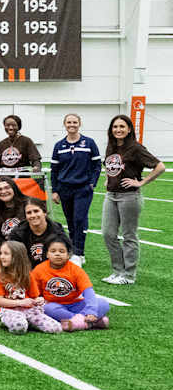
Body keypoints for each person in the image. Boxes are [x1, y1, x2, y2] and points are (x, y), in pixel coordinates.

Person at [100, 114, 165, 285]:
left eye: (122, 126)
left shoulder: (136, 148)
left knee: (129, 235)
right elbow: (110, 166)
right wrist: (109, 178)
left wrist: (141, 182)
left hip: (129, 197)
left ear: (129, 129)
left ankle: (128, 275)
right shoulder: (111, 147)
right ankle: (117, 271)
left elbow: (160, 166)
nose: (118, 130)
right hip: (111, 195)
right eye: (115, 127)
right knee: (108, 234)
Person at [47, 113, 101, 265]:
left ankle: (79, 252)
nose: (72, 125)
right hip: (65, 189)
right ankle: (72, 251)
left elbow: (97, 165)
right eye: (69, 122)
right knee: (70, 221)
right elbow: (54, 169)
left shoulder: (89, 143)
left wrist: (92, 183)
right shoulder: (59, 145)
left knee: (79, 219)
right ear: (64, 124)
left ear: (79, 124)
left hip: (83, 188)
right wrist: (55, 190)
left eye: (75, 122)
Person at [34, 238, 109, 332]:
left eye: (62, 251)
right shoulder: (39, 269)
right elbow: (33, 290)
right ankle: (89, 322)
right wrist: (37, 298)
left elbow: (88, 291)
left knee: (103, 303)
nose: (57, 254)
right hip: (55, 305)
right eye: (53, 251)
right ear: (47, 254)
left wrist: (91, 311)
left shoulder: (76, 270)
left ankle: (76, 322)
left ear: (68, 255)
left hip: (76, 303)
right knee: (47, 309)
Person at [0, 240, 61, 335]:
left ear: (17, 257)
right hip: (10, 310)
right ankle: (9, 320)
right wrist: (20, 302)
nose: (1, 257)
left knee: (55, 328)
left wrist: (39, 300)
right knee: (19, 327)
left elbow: (34, 296)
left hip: (29, 309)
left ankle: (30, 321)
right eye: (1, 253)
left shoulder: (28, 275)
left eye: (6, 254)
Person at [8, 199, 69, 266]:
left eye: (36, 211)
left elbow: (66, 253)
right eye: (29, 213)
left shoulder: (57, 230)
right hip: (26, 270)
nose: (33, 215)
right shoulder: (17, 233)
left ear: (44, 212)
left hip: (51, 270)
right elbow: (13, 257)